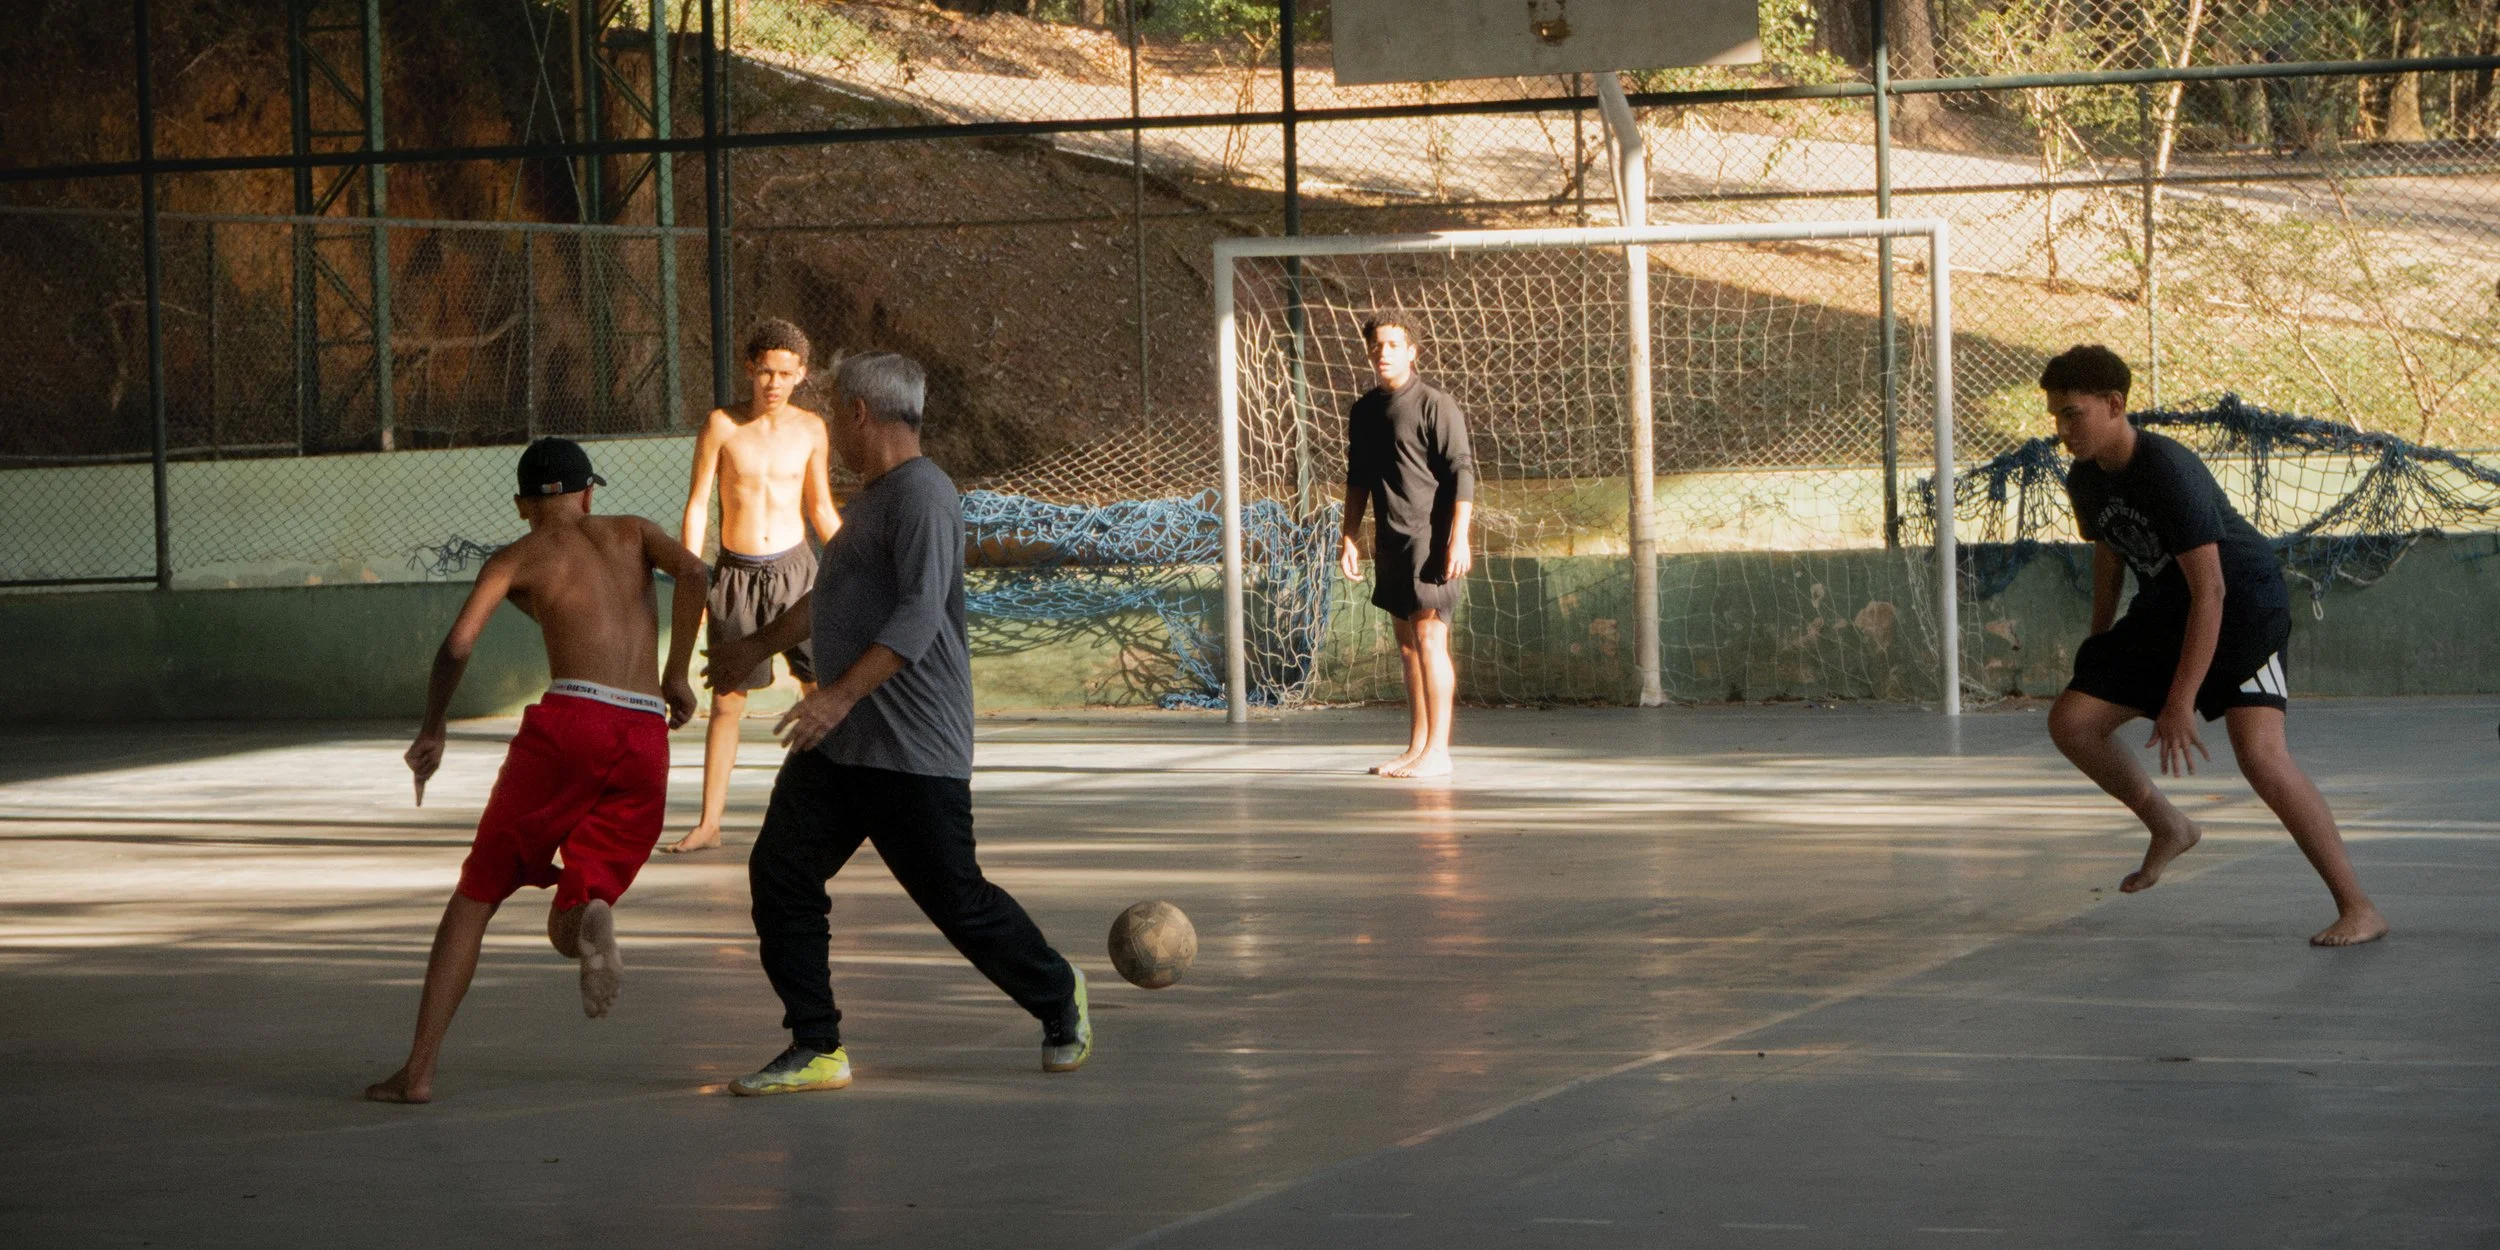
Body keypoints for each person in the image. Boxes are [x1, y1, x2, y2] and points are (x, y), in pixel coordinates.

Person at [705, 351, 1091, 1096]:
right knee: (781, 871)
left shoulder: (923, 496)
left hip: (912, 747)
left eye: (836, 413)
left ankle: (1057, 993)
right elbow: (829, 598)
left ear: (858, 415)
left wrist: (836, 695)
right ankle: (816, 1044)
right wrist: (753, 646)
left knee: (958, 902)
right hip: (845, 747)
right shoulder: (875, 500)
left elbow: (918, 617)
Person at [367, 438, 707, 1104]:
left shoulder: (516, 558)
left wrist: (433, 727)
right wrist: (675, 676)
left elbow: (458, 644)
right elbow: (696, 574)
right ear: (587, 493)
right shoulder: (632, 532)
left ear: (524, 504)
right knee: (575, 908)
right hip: (642, 733)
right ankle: (589, 917)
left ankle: (419, 1071)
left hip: (571, 722)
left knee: (478, 894)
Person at [2040, 345, 2388, 947]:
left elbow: (2213, 592)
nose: (2062, 430)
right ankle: (2169, 825)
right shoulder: (2086, 477)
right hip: (2167, 608)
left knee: (2261, 757)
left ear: (2115, 404)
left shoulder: (2167, 471)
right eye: (2055, 416)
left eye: (2072, 414)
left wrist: (2181, 701)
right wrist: (2100, 641)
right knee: (2073, 721)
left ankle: (2358, 906)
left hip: (2243, 606)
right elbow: (2109, 550)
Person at [663, 318, 843, 855]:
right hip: (737, 575)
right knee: (726, 702)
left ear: (801, 375)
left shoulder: (812, 429)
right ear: (750, 368)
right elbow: (698, 508)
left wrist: (857, 563)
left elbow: (820, 508)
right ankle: (709, 823)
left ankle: (845, 812)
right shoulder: (721, 425)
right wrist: (693, 579)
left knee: (820, 695)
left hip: (797, 571)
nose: (773, 383)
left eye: (785, 374)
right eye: (765, 371)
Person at [1338, 313, 1476, 779]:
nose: (1384, 352)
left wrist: (1460, 536)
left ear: (1412, 351)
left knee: (1430, 638)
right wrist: (1349, 536)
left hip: (1430, 541)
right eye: (1378, 344)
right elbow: (1358, 480)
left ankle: (1439, 752)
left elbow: (1462, 471)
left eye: (1394, 344)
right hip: (1391, 541)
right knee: (1407, 647)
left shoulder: (1436, 405)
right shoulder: (1364, 411)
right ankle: (1417, 746)